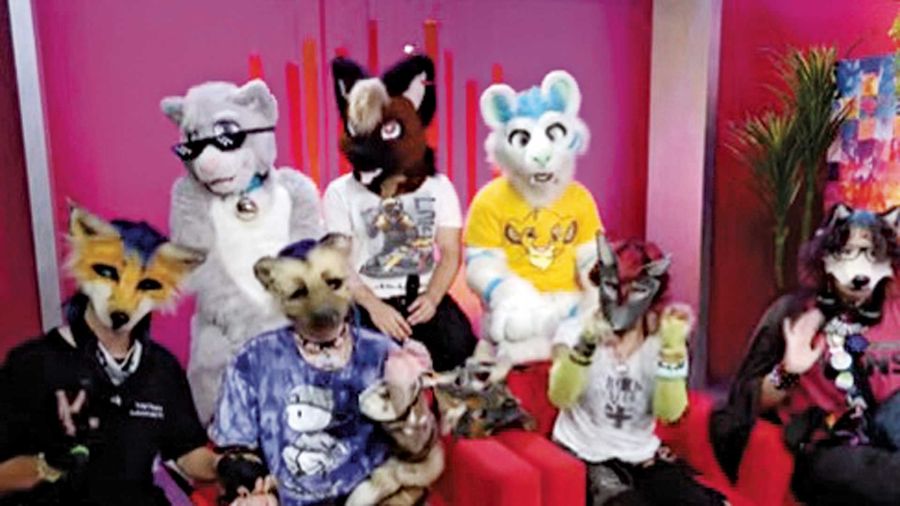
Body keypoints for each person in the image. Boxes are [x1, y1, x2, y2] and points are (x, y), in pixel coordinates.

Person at [0, 206, 220, 506]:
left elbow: (187, 453)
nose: (123, 301)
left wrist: (224, 465)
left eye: (147, 285)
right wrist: (46, 466)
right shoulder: (32, 364)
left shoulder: (161, 367)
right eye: (108, 274)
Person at [711, 204, 900, 505]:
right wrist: (789, 370)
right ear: (825, 258)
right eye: (847, 252)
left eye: (871, 254)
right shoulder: (794, 314)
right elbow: (746, 401)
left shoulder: (895, 311)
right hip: (827, 450)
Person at [325, 53, 476, 371]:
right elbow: (338, 263)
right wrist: (374, 306)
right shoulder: (339, 192)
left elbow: (450, 252)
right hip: (366, 300)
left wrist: (432, 298)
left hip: (420, 297)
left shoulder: (438, 187)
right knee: (362, 367)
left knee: (460, 352)